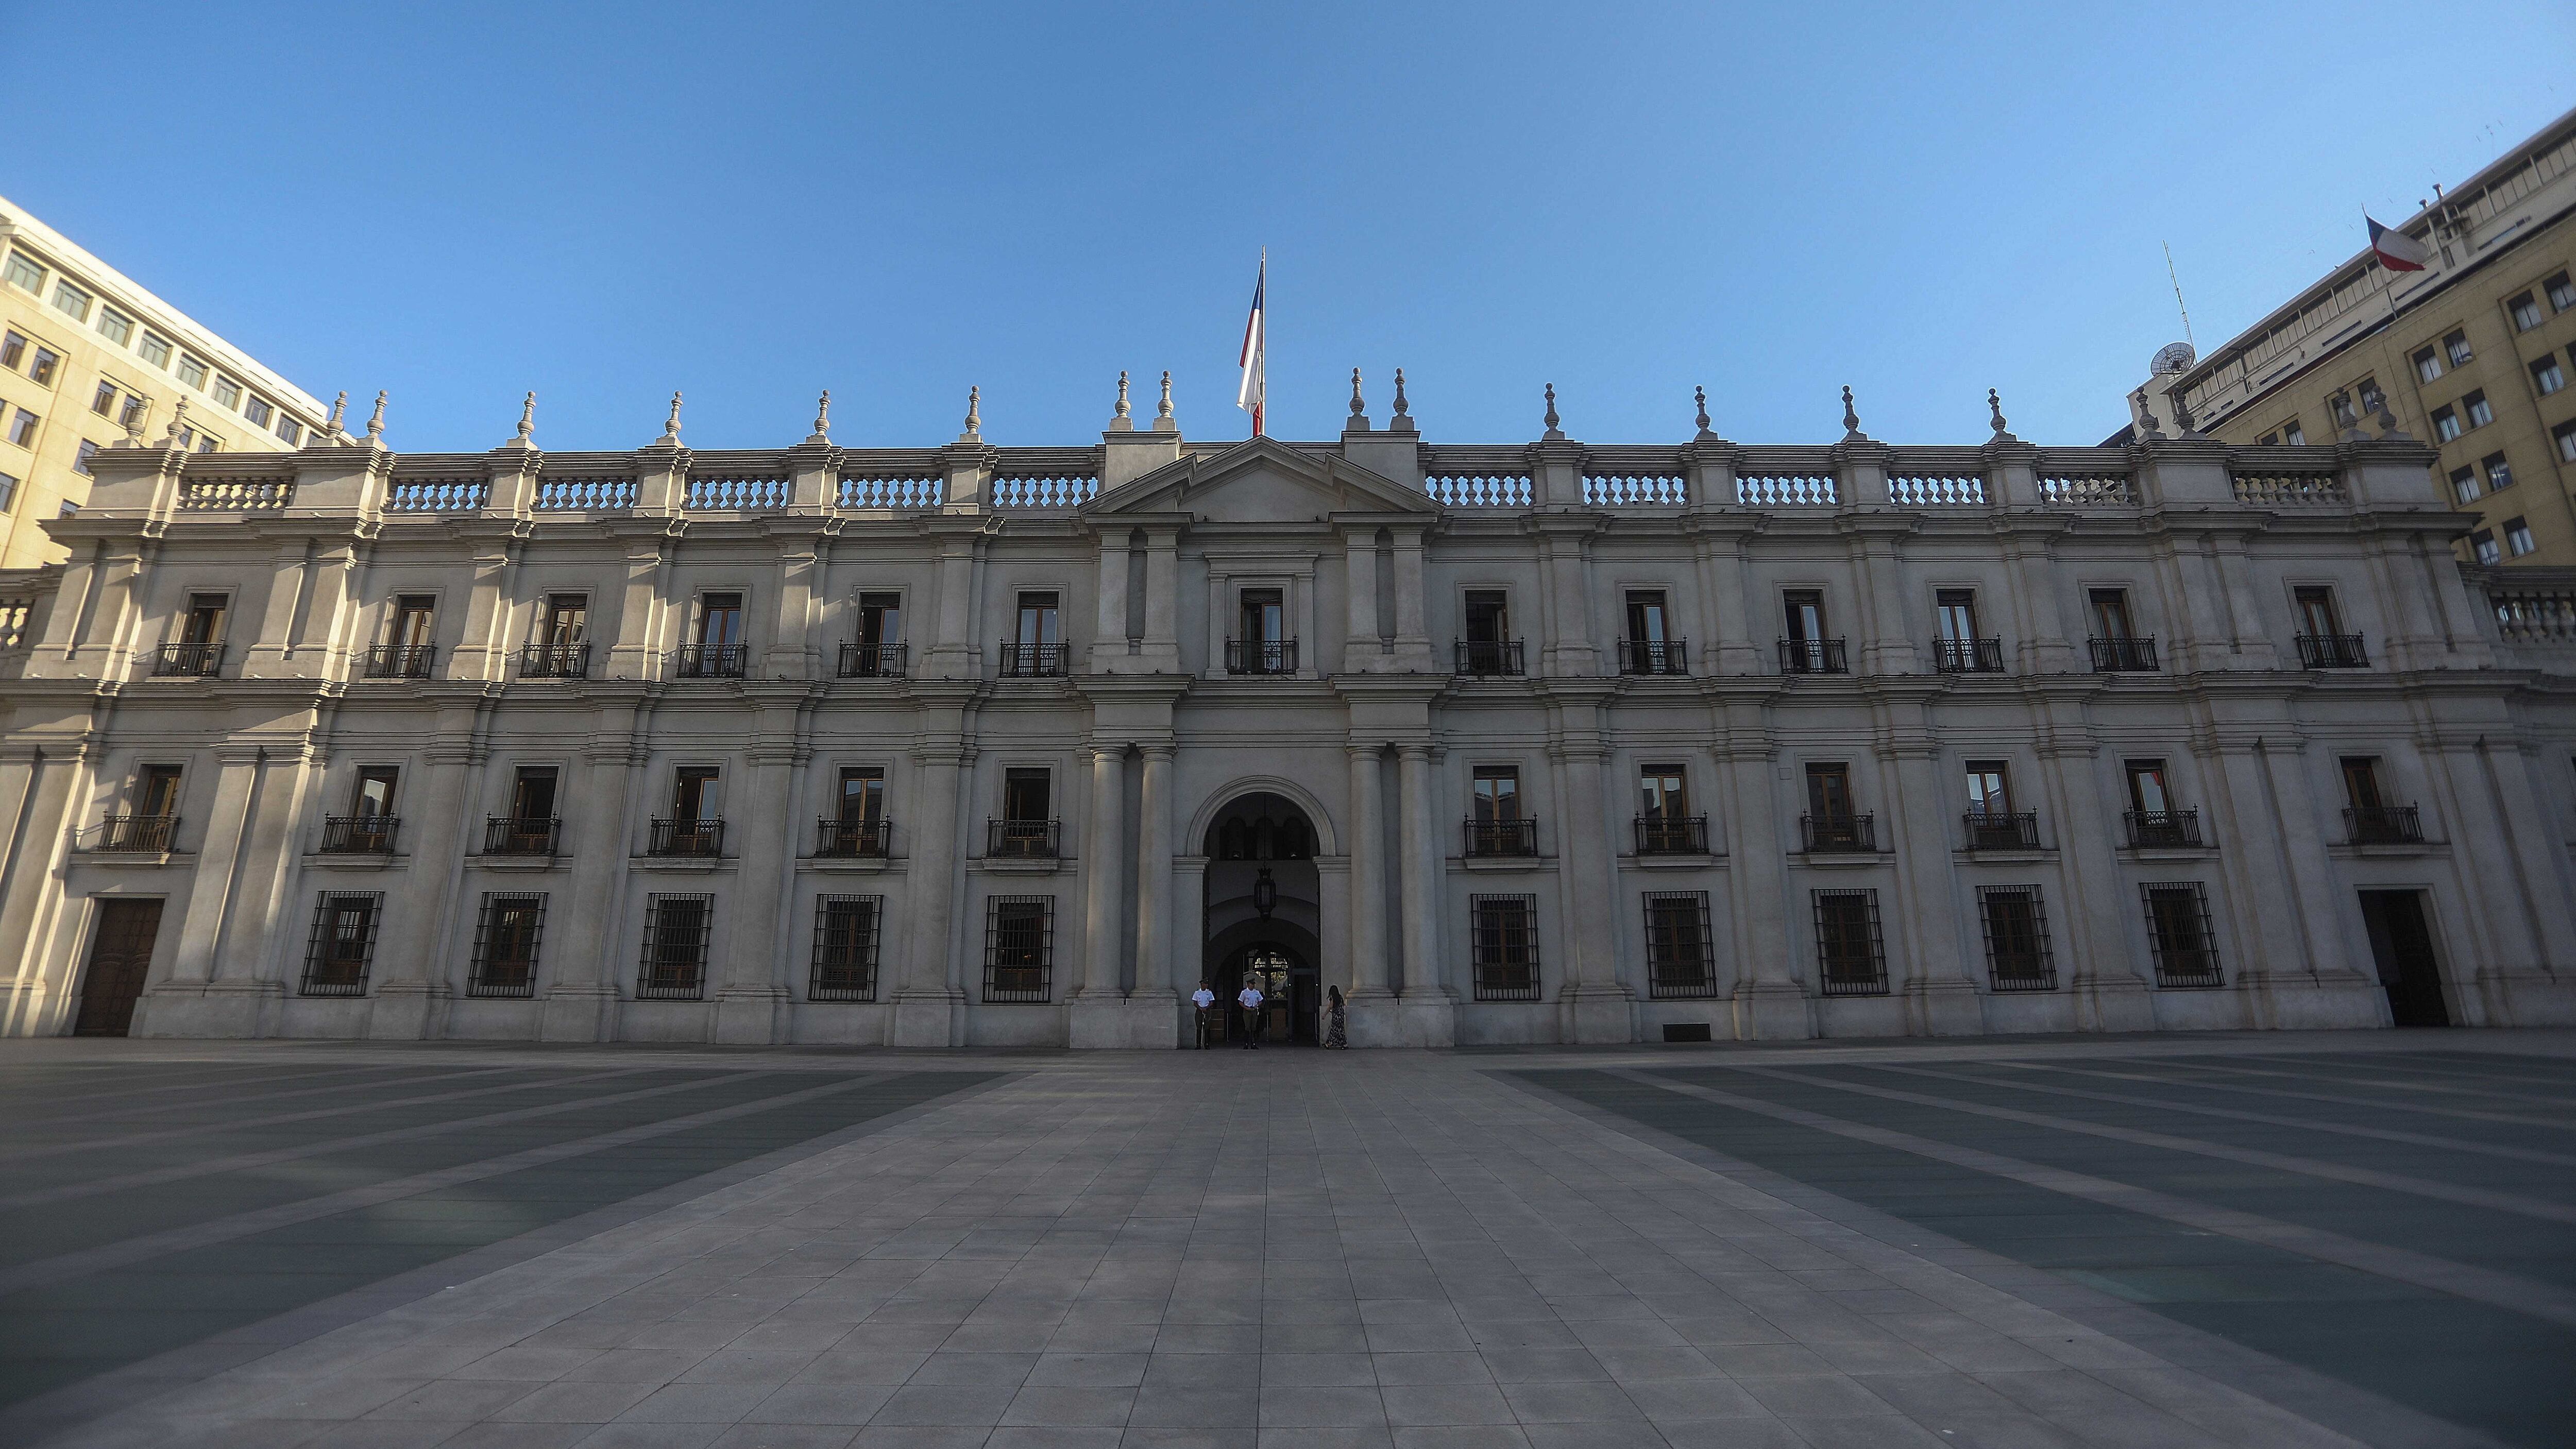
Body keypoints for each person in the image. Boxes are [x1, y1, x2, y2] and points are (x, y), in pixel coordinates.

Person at [1236, 980, 1264, 1048]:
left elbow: (1261, 1001)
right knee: (1247, 1027)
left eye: (1253, 984)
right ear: (1248, 985)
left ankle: (1253, 1043)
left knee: (1254, 1027)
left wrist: (1257, 1005)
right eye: (1252, 984)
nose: (1253, 985)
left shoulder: (1256, 992)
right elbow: (1240, 1002)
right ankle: (1246, 1044)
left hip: (1254, 1010)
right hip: (1247, 1010)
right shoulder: (1244, 992)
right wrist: (1246, 1008)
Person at [1191, 980, 1217, 1048]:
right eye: (1205, 984)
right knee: (1199, 1027)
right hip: (1199, 1010)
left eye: (1207, 984)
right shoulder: (1197, 993)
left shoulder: (1209, 993)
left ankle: (1207, 1044)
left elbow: (1211, 1002)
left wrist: (1206, 1008)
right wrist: (1201, 1008)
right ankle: (1198, 1044)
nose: (1207, 985)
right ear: (1202, 985)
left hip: (1207, 1010)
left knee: (1207, 1027)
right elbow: (1195, 1003)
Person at [1324, 984, 1347, 1049]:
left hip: (1336, 1016)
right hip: (1341, 1015)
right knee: (1341, 1029)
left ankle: (1329, 1043)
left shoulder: (1333, 998)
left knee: (1334, 1029)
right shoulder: (1341, 997)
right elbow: (1343, 1005)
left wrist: (1325, 1015)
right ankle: (1343, 1044)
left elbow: (1330, 1007)